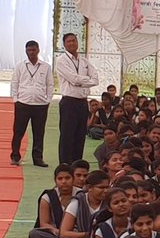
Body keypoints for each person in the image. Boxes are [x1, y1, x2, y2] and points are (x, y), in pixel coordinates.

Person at [56, 32, 98, 164]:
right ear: (64, 45)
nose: (72, 43)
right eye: (69, 41)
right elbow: (73, 79)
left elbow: (96, 79)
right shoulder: (62, 61)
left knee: (80, 135)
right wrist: (86, 80)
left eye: (74, 40)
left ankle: (77, 163)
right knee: (67, 135)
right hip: (69, 102)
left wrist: (81, 81)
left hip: (83, 102)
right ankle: (65, 163)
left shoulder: (84, 61)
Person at [11, 40, 52, 167]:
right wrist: (15, 99)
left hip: (40, 105)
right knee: (18, 131)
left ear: (38, 50)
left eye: (34, 50)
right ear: (25, 51)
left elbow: (50, 84)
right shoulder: (20, 66)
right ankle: (15, 156)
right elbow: (15, 83)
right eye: (29, 50)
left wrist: (48, 99)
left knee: (39, 132)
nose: (31, 53)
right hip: (23, 103)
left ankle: (38, 158)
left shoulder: (46, 66)